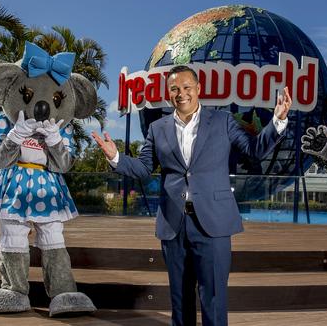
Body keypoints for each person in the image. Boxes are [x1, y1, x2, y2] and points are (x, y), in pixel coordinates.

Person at [92, 65, 291, 325]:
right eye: (175, 88)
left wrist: (277, 121)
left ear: (198, 90)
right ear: (168, 94)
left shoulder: (222, 121)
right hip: (174, 225)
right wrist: (115, 157)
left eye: (187, 87)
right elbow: (143, 168)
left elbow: (254, 150)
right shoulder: (157, 128)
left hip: (213, 223)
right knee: (180, 298)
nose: (181, 93)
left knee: (214, 296)